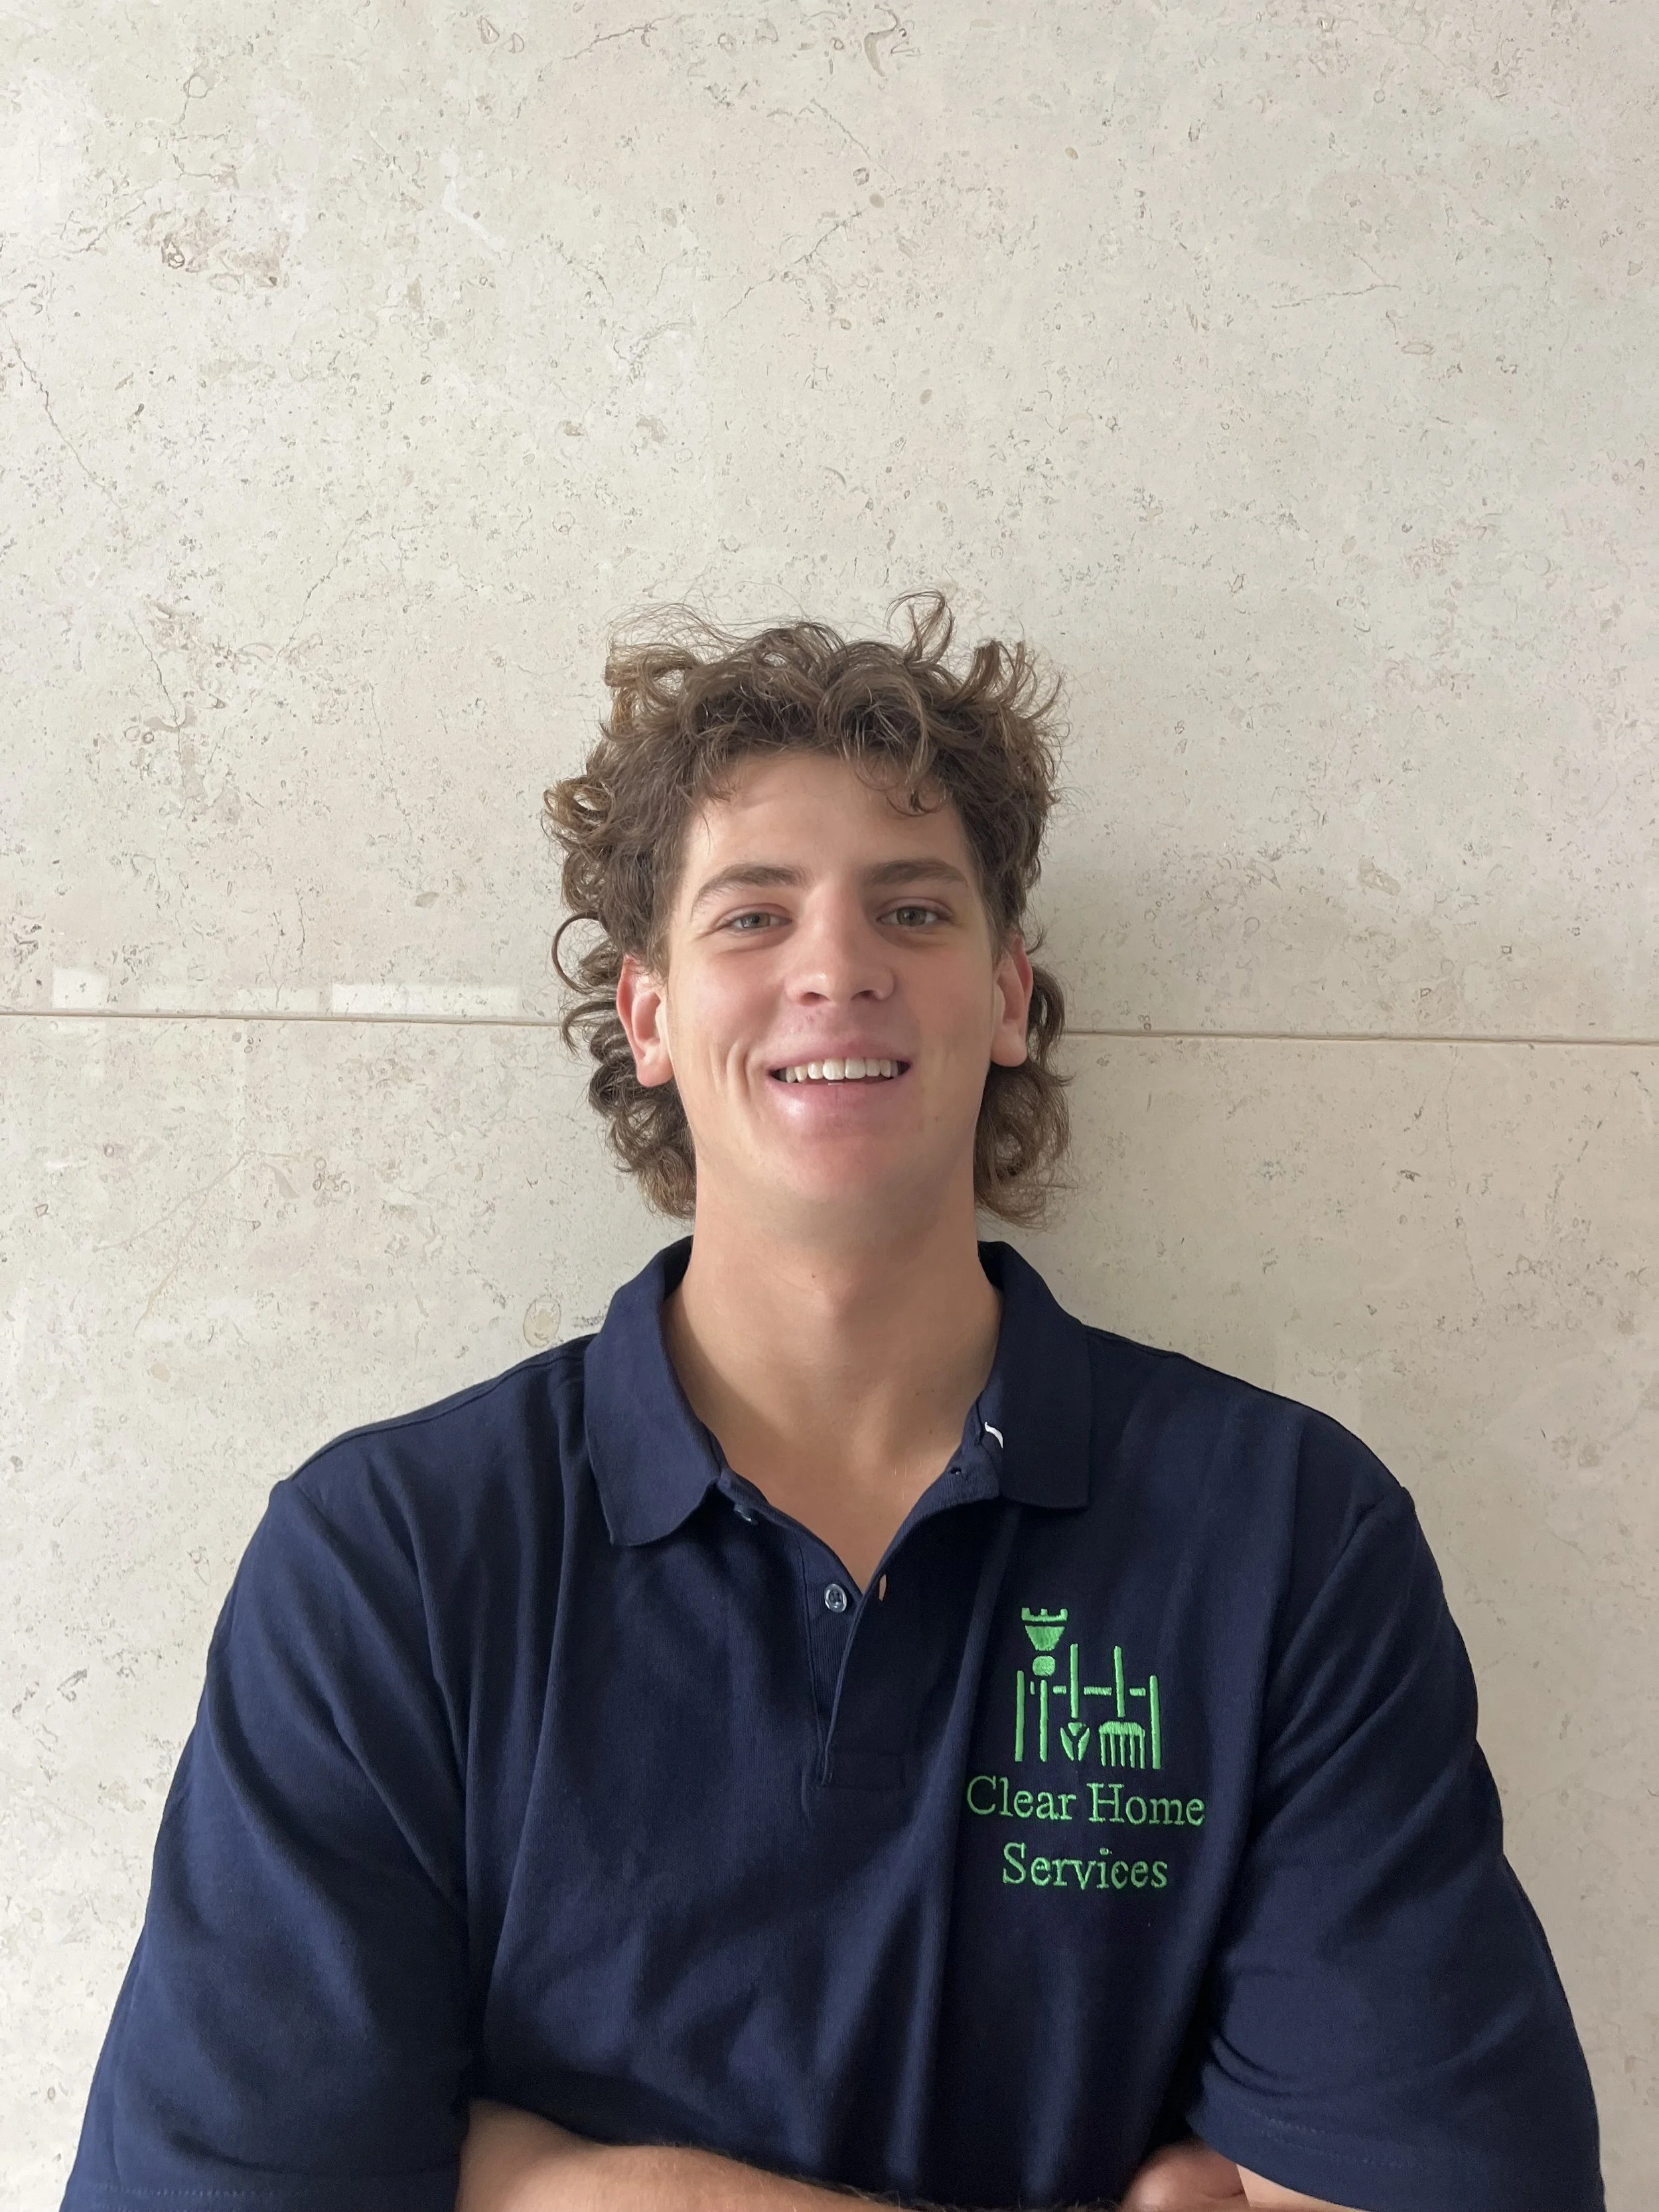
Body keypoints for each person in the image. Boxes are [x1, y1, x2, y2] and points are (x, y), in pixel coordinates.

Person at [62, 597, 1603, 2212]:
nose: (837, 968)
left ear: (1006, 998)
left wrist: (552, 2188)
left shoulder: (1286, 1535)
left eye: (913, 910)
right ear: (648, 1015)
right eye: (749, 916)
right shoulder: (390, 1556)